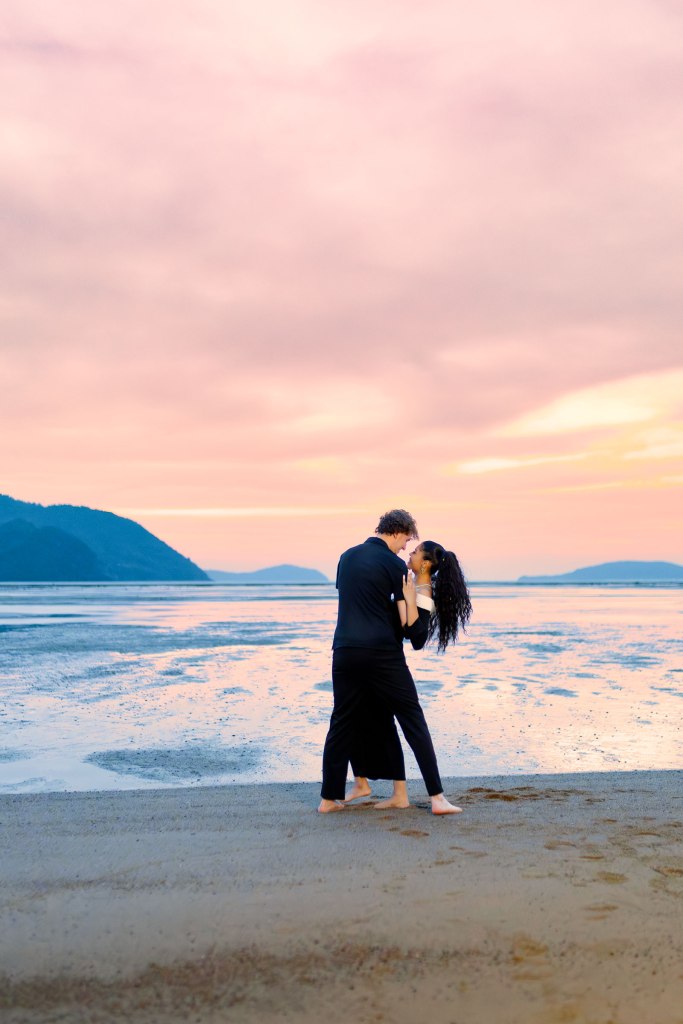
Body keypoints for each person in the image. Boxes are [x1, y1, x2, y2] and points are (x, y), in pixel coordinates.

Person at [318, 511, 462, 815]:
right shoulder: (395, 566)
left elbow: (357, 600)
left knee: (343, 720)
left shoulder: (346, 557)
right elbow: (411, 630)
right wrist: (414, 596)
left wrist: (416, 593)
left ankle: (329, 799)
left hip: (344, 649)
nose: (405, 549)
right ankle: (437, 798)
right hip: (382, 654)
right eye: (406, 542)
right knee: (412, 720)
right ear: (399, 532)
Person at [346, 540, 472, 809]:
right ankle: (388, 791)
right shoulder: (413, 585)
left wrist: (409, 603)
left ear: (425, 563)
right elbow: (404, 625)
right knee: (370, 720)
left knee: (414, 727)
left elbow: (417, 637)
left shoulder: (423, 591)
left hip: (391, 665)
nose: (410, 553)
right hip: (382, 661)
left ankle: (437, 797)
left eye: (415, 552)